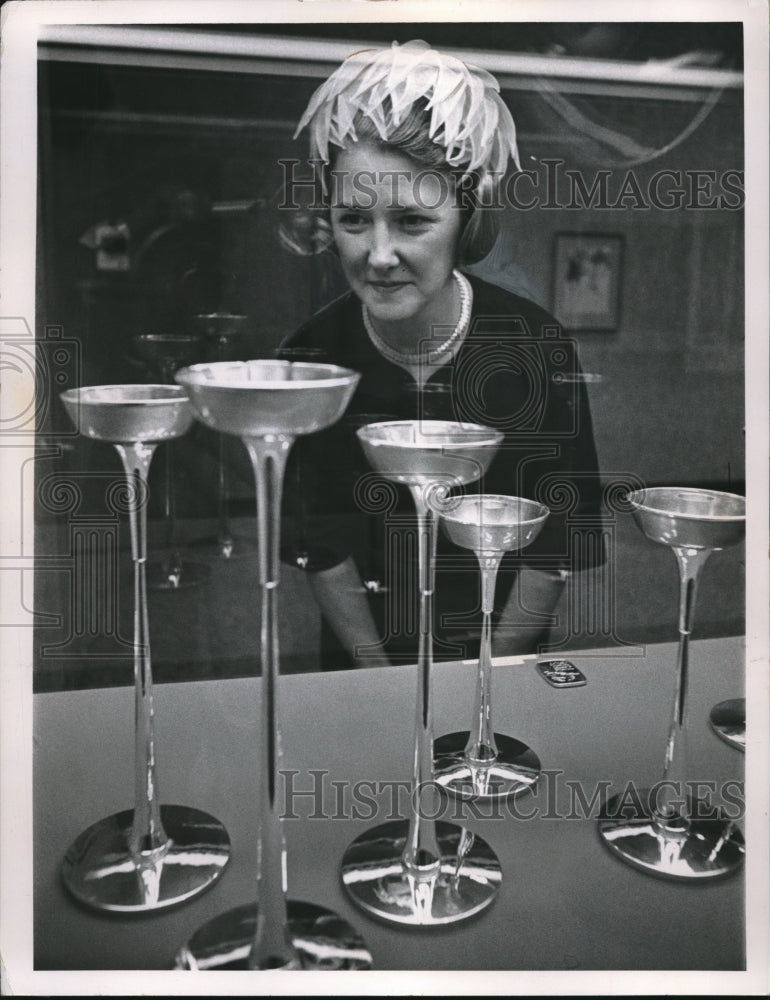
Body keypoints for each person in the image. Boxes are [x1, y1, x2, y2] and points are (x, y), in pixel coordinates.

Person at [278, 40, 604, 670]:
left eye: (411, 222)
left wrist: (484, 676)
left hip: (499, 665)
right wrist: (381, 679)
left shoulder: (536, 347)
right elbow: (320, 547)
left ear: (468, 221)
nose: (377, 255)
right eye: (352, 220)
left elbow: (553, 548)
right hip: (361, 671)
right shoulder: (310, 355)